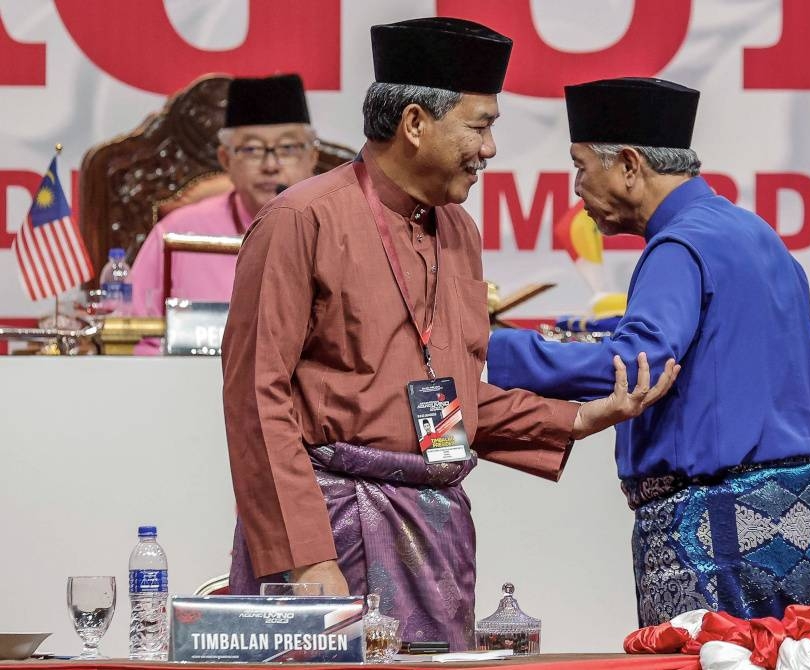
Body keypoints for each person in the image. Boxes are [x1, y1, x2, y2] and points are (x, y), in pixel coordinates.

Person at [221, 19, 678, 649]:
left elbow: (440, 402)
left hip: (435, 533)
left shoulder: (458, 230)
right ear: (415, 123)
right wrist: (305, 554)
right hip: (333, 535)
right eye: (481, 124)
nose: (490, 148)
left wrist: (574, 419)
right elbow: (255, 398)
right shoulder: (301, 220)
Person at [487, 77, 810, 625]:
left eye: (582, 166)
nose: (577, 187)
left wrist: (490, 352)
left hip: (707, 527)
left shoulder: (678, 246)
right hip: (789, 528)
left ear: (629, 165)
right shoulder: (761, 239)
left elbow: (637, 364)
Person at [128, 73, 318, 353]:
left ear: (311, 157)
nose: (270, 166)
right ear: (226, 160)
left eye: (287, 148)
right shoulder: (178, 234)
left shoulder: (342, 231)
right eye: (252, 149)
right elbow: (133, 337)